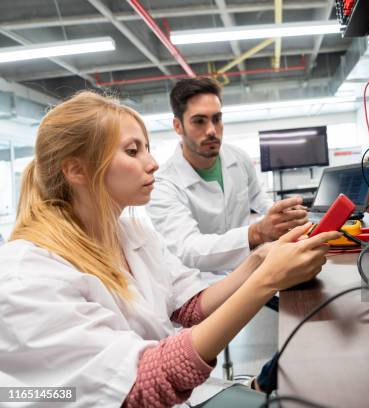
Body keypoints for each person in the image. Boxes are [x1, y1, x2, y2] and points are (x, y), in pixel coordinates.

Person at [0, 91, 341, 407]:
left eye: (146, 148)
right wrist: (264, 279)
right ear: (76, 169)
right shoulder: (27, 276)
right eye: (133, 152)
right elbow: (143, 386)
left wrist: (257, 262)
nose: (152, 164)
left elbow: (189, 306)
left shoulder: (130, 233)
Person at [146, 77, 309, 275]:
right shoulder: (163, 185)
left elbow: (257, 196)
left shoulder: (238, 157)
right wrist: (257, 232)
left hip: (245, 269)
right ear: (178, 126)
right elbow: (188, 248)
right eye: (199, 121)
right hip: (199, 284)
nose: (211, 131)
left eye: (217, 119)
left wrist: (281, 215)